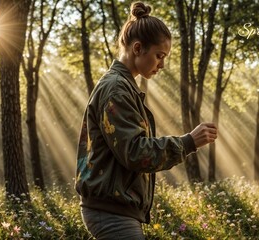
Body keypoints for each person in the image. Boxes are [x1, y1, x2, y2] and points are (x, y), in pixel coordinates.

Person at [75, 2, 218, 239]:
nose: (161, 65)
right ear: (138, 48)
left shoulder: (124, 88)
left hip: (115, 211)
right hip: (110, 213)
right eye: (159, 56)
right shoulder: (117, 91)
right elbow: (136, 153)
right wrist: (188, 142)